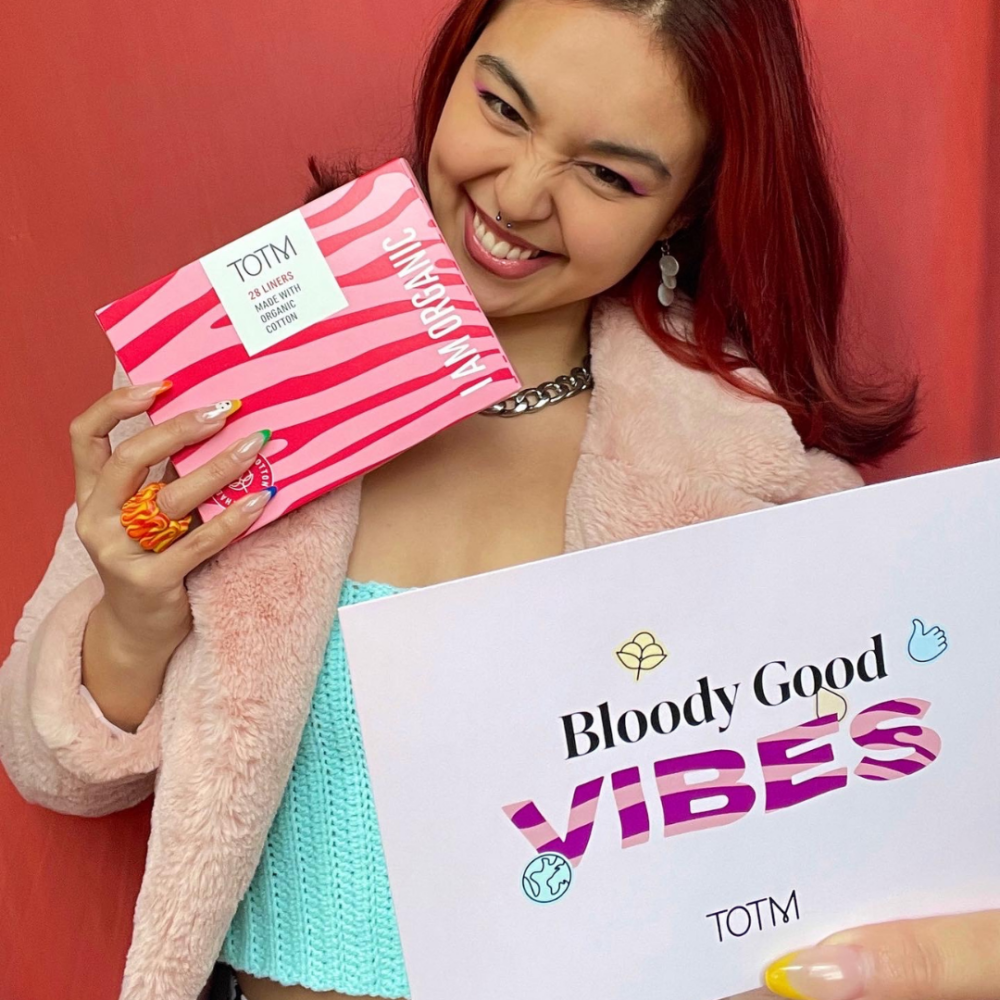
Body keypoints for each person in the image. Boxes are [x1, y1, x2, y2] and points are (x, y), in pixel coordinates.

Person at [3, 0, 994, 998]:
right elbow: (61, 774)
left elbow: (825, 857)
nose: (517, 195)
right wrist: (133, 612)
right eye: (503, 107)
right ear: (456, 66)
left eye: (607, 174)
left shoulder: (754, 481)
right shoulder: (240, 378)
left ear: (684, 206)